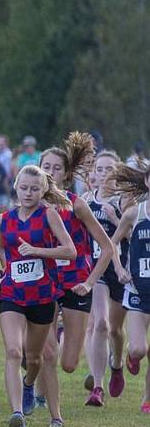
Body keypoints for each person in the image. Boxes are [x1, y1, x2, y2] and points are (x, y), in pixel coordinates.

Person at [0, 164, 78, 427]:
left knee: (35, 357)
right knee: (14, 351)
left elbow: (70, 251)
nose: (28, 193)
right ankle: (16, 414)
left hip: (43, 296)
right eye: (24, 188)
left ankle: (30, 388)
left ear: (43, 190)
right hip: (12, 293)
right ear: (15, 187)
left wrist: (37, 250)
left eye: (34, 189)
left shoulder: (49, 215)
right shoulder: (5, 218)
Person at [37, 134, 116, 407]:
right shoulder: (30, 205)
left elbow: (108, 249)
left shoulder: (76, 204)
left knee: (68, 363)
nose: (50, 173)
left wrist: (91, 282)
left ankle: (57, 336)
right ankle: (37, 395)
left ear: (66, 173)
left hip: (75, 283)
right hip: (43, 283)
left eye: (56, 168)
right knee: (45, 352)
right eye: (46, 167)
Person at [107, 163, 150, 414]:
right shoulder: (135, 213)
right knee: (137, 348)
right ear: (146, 181)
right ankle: (131, 356)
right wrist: (119, 269)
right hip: (136, 291)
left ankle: (147, 398)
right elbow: (111, 243)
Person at [86, 150, 128, 400]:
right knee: (99, 323)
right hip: (96, 269)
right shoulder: (85, 201)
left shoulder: (126, 202)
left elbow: (137, 236)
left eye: (109, 169)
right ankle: (97, 387)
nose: (103, 174)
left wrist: (117, 218)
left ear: (118, 172)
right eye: (99, 169)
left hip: (121, 272)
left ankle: (117, 364)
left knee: (115, 330)